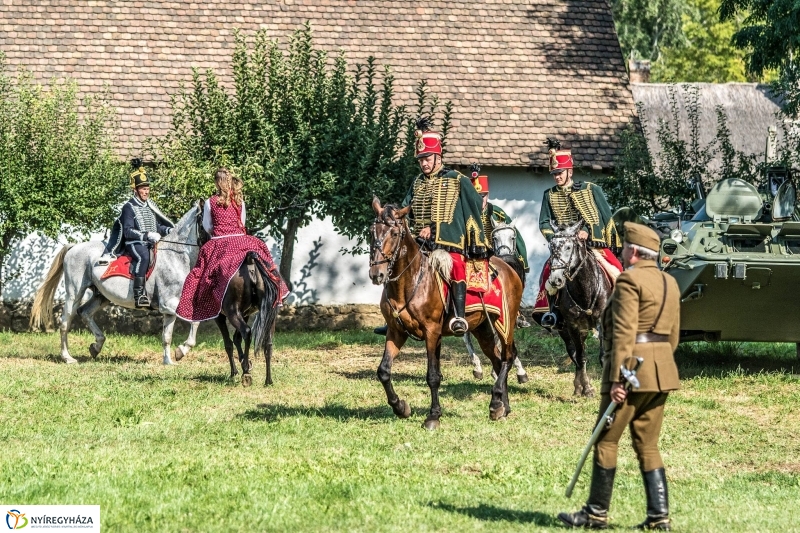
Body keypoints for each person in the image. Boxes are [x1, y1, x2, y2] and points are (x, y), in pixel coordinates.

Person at [558, 221, 680, 530]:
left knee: (606, 440)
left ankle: (596, 513)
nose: (622, 251)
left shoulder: (629, 281)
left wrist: (617, 379)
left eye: (625, 247)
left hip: (630, 373)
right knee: (648, 446)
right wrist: (658, 363)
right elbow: (674, 336)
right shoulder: (670, 283)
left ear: (635, 252)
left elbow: (624, 333)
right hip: (661, 373)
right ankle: (659, 517)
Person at [397, 117, 492, 335]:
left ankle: (458, 317)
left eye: (427, 158)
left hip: (447, 244)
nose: (424, 163)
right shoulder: (417, 182)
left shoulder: (456, 178)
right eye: (420, 159)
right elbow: (406, 207)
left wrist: (433, 228)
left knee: (456, 266)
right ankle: (395, 317)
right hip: (419, 243)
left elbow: (475, 204)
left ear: (438, 157)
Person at [176, 167, 289, 322]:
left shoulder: (210, 202)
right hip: (242, 240)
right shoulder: (239, 201)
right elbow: (242, 223)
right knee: (266, 261)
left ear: (217, 182)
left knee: (201, 275)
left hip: (220, 242)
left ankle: (206, 304)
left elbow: (208, 226)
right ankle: (278, 290)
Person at [533, 140, 623, 327]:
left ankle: (622, 311)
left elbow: (601, 217)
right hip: (563, 246)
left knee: (616, 270)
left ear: (570, 172)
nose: (556, 177)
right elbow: (543, 222)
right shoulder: (549, 195)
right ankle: (551, 313)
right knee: (548, 273)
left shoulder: (590, 190)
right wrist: (554, 238)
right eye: (554, 174)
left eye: (559, 173)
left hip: (590, 245)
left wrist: (587, 231)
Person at [98, 158, 174, 308]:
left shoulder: (150, 205)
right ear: (135, 190)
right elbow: (127, 231)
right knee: (144, 256)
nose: (146, 192)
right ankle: (139, 295)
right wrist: (146, 235)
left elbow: (157, 226)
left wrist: (169, 230)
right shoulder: (129, 207)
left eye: (147, 188)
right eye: (142, 189)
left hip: (152, 242)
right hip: (135, 243)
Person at [470, 170, 531, 328]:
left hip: (498, 256)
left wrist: (522, 261)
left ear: (487, 195)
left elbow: (513, 233)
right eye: (477, 196)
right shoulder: (467, 214)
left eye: (483, 196)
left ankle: (516, 312)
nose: (480, 200)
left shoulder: (496, 212)